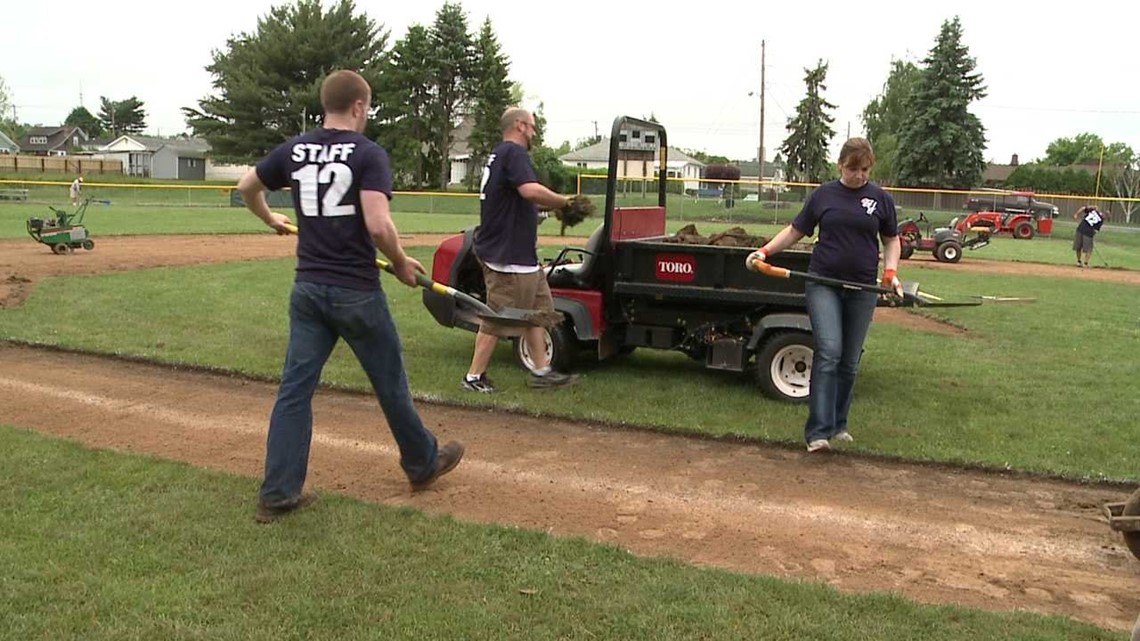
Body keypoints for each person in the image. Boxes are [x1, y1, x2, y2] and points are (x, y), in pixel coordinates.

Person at [236, 69, 464, 523]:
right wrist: (401, 263)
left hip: (308, 290)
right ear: (359, 106)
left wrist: (270, 219)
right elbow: (378, 225)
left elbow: (246, 187)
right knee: (389, 382)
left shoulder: (294, 149)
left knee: (295, 390)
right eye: (368, 107)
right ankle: (421, 463)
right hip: (355, 291)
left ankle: (278, 493)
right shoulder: (368, 153)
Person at [746, 137, 901, 453]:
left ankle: (838, 424)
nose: (859, 175)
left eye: (865, 170)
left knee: (850, 361)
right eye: (853, 169)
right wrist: (764, 252)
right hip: (823, 284)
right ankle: (818, 433)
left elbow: (891, 240)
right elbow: (795, 230)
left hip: (863, 288)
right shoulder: (823, 195)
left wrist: (890, 272)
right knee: (829, 351)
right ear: (840, 165)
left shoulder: (880, 199)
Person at [462, 107, 578, 393]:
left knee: (538, 313)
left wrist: (540, 211)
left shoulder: (501, 154)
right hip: (507, 256)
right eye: (532, 126)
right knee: (498, 317)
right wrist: (564, 202)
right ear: (520, 126)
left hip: (522, 256)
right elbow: (529, 190)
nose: (534, 132)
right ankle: (473, 377)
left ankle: (541, 371)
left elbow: (517, 199)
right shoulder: (514, 153)